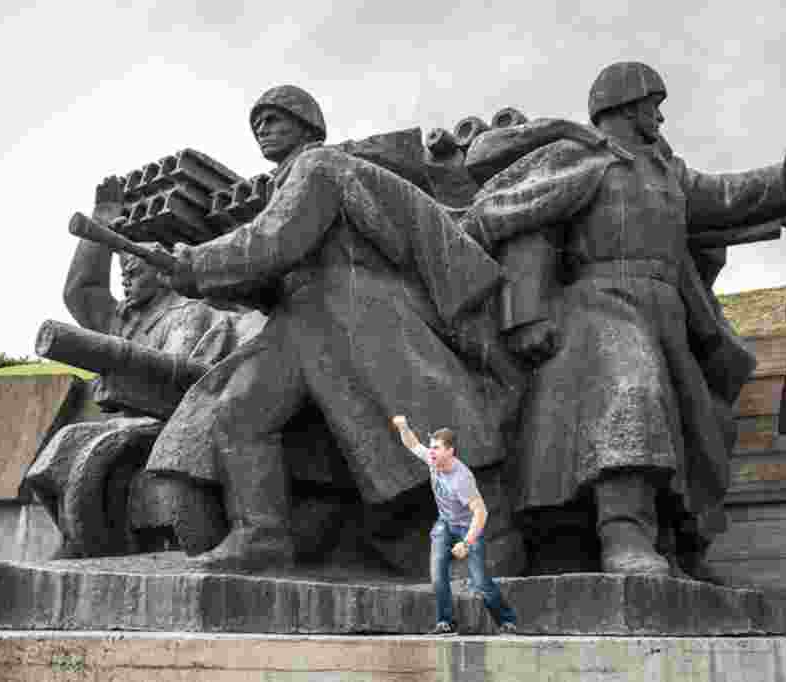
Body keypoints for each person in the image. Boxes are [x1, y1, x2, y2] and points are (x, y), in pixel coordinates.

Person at [455, 62, 786, 577]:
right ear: (626, 105)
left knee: (700, 426)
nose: (659, 114)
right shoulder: (578, 158)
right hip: (598, 304)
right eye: (652, 103)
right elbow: (525, 222)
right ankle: (623, 534)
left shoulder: (665, 171)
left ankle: (678, 543)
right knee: (630, 391)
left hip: (667, 311)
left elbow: (725, 197)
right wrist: (525, 314)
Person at [146, 85, 524, 571]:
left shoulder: (318, 166)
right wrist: (197, 276)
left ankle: (494, 537)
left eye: (276, 117)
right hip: (299, 319)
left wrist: (196, 262)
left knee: (426, 424)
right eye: (257, 120)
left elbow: (276, 241)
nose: (263, 126)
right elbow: (271, 269)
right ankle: (262, 535)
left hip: (354, 309)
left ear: (308, 126)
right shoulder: (284, 183)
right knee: (240, 411)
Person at [24, 176, 259, 558]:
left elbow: (178, 379)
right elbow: (81, 292)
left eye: (135, 272)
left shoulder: (188, 311)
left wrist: (121, 367)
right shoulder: (128, 319)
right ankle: (77, 539)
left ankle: (93, 542)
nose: (126, 278)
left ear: (161, 271)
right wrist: (102, 221)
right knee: (55, 456)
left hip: (165, 423)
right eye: (124, 273)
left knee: (91, 446)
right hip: (130, 421)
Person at [391, 415, 517, 635]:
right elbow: (412, 444)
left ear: (450, 451)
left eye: (437, 448)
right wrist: (403, 427)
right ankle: (445, 622)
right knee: (438, 575)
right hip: (445, 523)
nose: (431, 451)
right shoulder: (433, 461)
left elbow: (481, 512)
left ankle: (507, 620)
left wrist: (467, 543)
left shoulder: (462, 479)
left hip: (468, 528)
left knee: (480, 581)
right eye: (431, 447)